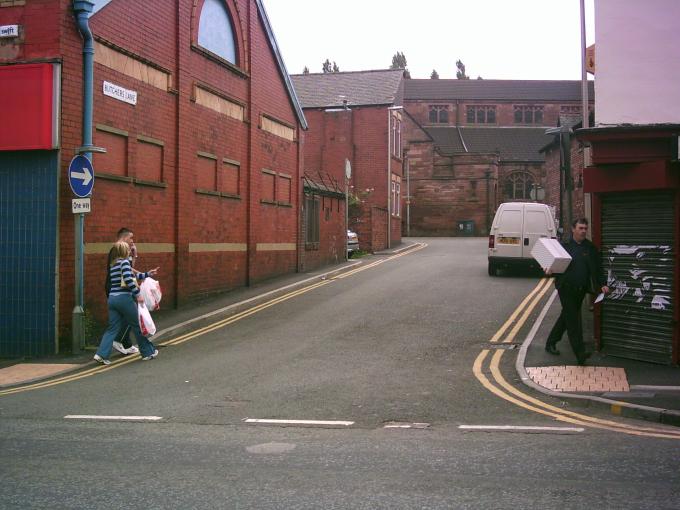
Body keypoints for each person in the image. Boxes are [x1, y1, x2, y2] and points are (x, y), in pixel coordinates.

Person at [544, 218, 609, 365]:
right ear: (573, 229)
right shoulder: (564, 247)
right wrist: (549, 270)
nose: (583, 231)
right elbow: (553, 266)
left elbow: (598, 268)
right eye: (580, 228)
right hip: (565, 288)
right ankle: (580, 354)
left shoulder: (590, 248)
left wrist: (603, 284)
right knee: (574, 320)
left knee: (566, 316)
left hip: (581, 290)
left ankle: (551, 342)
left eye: (585, 228)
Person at [95, 241, 159, 365]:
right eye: (128, 249)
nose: (130, 251)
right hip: (124, 299)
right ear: (124, 251)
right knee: (137, 325)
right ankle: (148, 352)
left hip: (112, 299)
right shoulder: (124, 263)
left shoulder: (114, 264)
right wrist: (138, 294)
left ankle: (101, 354)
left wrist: (147, 274)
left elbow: (132, 276)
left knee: (112, 328)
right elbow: (129, 280)